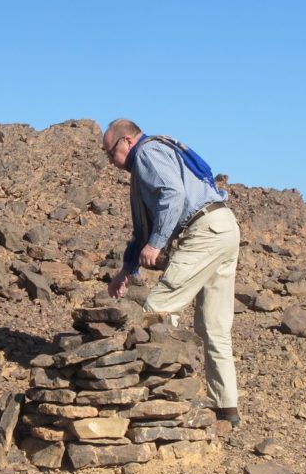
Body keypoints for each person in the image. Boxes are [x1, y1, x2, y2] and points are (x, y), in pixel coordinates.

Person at [102, 118, 243, 427]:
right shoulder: (160, 149)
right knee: (213, 326)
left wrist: (156, 243)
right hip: (224, 227)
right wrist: (127, 269)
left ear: (127, 141)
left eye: (110, 153)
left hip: (204, 231)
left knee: (158, 309)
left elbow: (173, 195)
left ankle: (156, 400)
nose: (110, 161)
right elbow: (143, 227)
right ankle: (227, 408)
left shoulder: (147, 153)